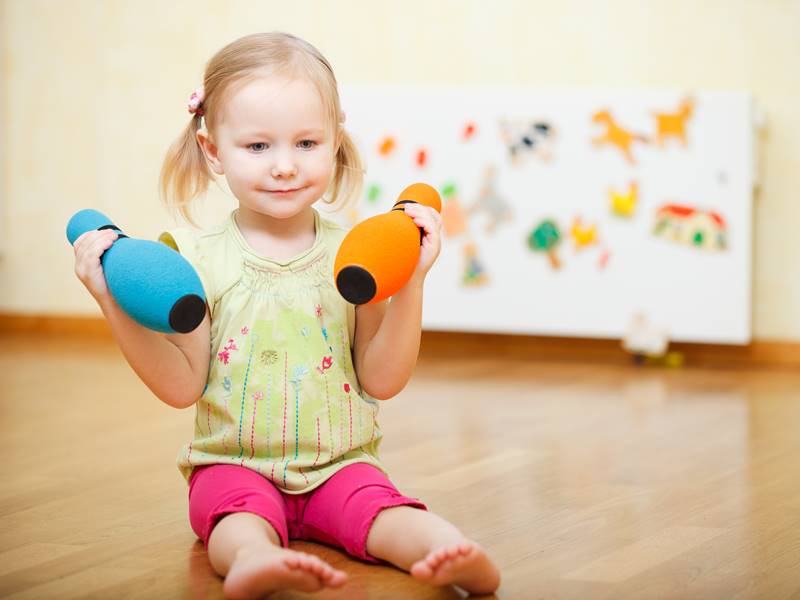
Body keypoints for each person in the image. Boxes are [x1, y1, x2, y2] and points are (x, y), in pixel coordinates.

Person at [72, 32, 500, 599]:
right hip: (231, 467)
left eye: (306, 143)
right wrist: (110, 302)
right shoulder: (196, 260)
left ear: (335, 141)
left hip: (341, 464)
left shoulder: (357, 257)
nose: (283, 166)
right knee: (237, 522)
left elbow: (382, 378)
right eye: (257, 147)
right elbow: (181, 387)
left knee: (389, 512)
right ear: (213, 150)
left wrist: (412, 281)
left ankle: (448, 550)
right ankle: (252, 560)